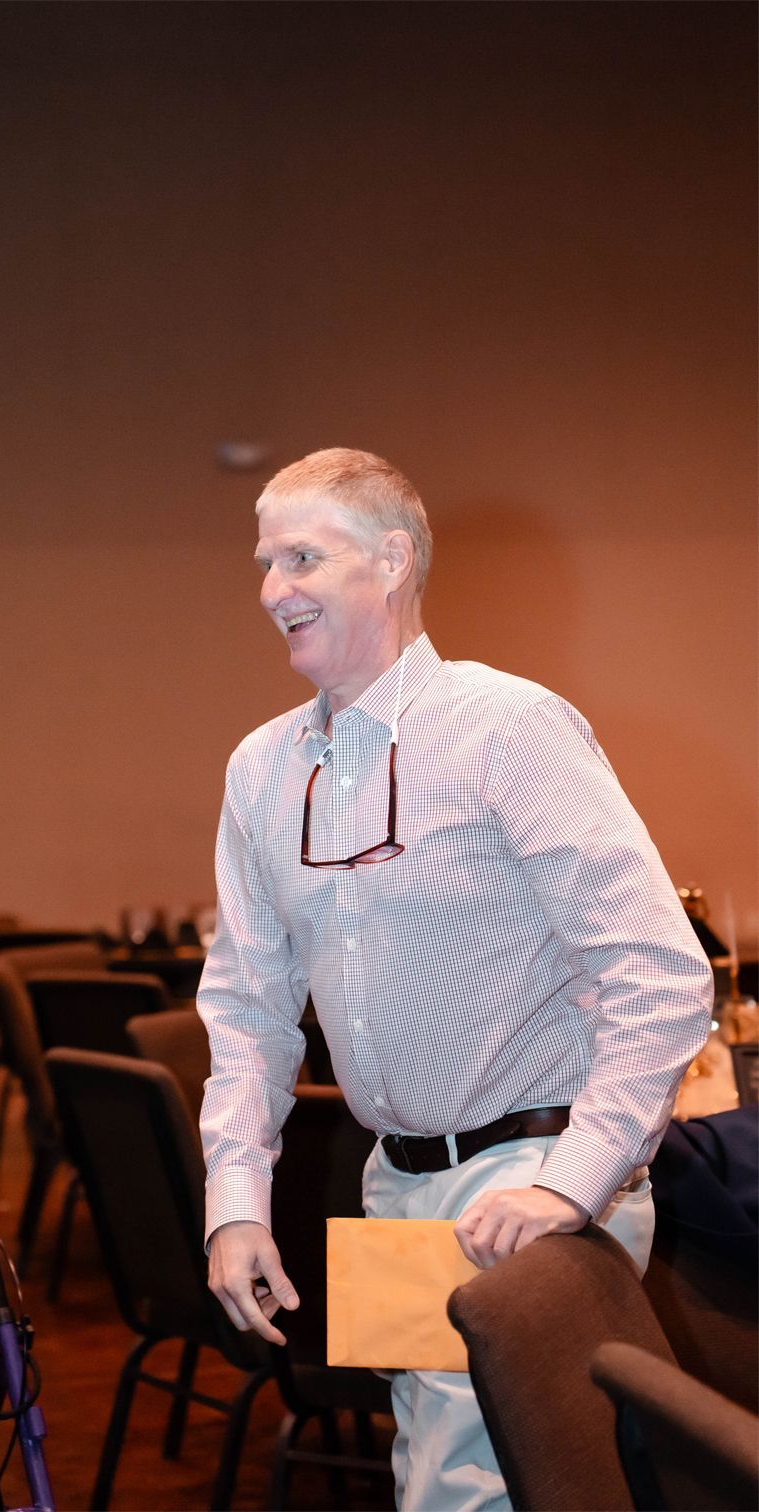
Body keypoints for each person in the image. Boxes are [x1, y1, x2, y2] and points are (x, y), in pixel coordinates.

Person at [197, 447, 713, 1512]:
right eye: (263, 561)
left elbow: (659, 976)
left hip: (528, 1173)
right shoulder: (260, 769)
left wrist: (568, 1182)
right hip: (394, 1181)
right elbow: (247, 1009)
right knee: (435, 1464)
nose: (270, 590)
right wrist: (234, 1201)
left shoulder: (506, 730)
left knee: (462, 1484)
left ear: (389, 562)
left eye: (301, 556)